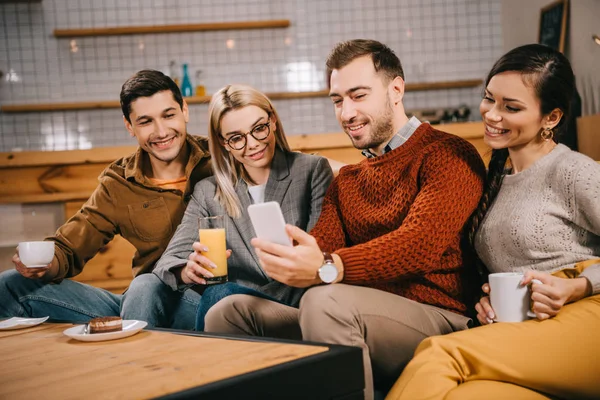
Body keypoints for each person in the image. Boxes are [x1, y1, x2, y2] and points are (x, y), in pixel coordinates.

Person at [203, 39, 486, 399]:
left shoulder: (447, 154)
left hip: (439, 318)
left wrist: (329, 266)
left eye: (358, 95)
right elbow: (322, 247)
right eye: (338, 100)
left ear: (395, 89)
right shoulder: (349, 181)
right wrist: (291, 257)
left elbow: (419, 245)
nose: (346, 112)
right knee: (228, 312)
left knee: (325, 303)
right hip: (354, 315)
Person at [386, 44, 600, 400]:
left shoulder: (575, 171)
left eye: (511, 107)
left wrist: (575, 286)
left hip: (588, 318)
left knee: (441, 353)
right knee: (467, 394)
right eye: (490, 99)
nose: (492, 114)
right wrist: (485, 301)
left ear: (552, 118)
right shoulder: (494, 179)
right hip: (531, 328)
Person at [0, 70, 212, 329]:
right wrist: (44, 263)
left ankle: (135, 346)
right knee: (10, 285)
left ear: (185, 111)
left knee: (143, 286)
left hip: (209, 305)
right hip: (144, 302)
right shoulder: (119, 183)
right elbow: (70, 246)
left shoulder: (219, 161)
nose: (161, 131)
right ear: (129, 126)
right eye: (145, 121)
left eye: (168, 115)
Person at [151, 84, 334, 331]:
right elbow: (169, 260)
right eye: (237, 138)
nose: (252, 145)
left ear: (273, 122)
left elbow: (321, 250)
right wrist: (188, 269)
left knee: (220, 294)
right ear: (223, 142)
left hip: (296, 304)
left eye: (259, 129)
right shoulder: (209, 191)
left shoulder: (311, 170)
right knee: (203, 294)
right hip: (234, 308)